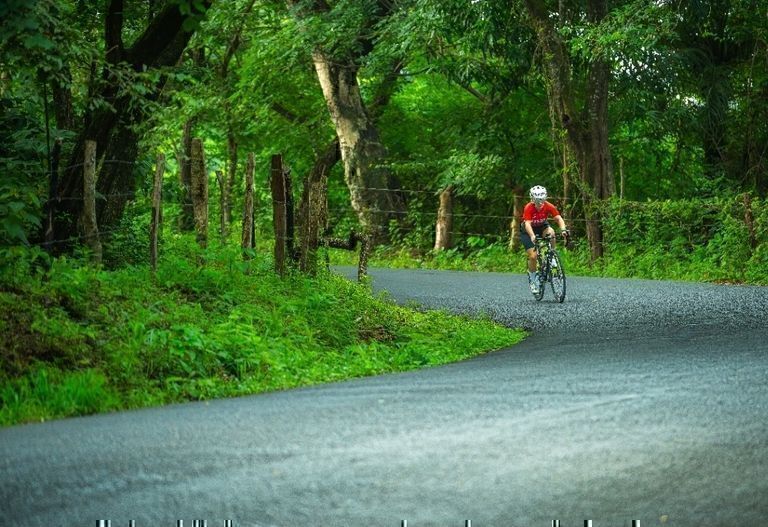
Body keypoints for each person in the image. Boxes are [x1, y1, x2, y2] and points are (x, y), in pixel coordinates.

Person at [520, 185, 569, 294]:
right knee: (533, 256)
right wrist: (532, 236)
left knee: (551, 232)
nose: (540, 204)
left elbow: (558, 218)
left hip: (542, 227)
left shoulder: (548, 206)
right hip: (528, 231)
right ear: (532, 199)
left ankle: (552, 254)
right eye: (537, 202)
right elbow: (527, 224)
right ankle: (533, 279)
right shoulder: (529, 207)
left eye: (542, 201)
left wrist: (563, 229)